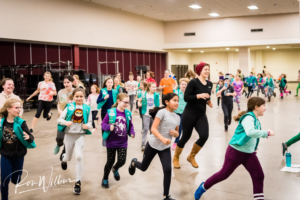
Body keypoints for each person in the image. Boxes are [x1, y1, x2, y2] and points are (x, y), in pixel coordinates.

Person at [194, 97, 275, 200]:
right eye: (264, 106)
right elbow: (250, 132)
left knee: (259, 175)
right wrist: (266, 133)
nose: (265, 108)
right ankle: (203, 186)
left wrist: (254, 147)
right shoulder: (248, 118)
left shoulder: (256, 119)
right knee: (223, 174)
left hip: (249, 153)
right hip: (236, 152)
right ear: (256, 107)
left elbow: (252, 136)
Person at [128, 93, 180, 200]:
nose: (176, 103)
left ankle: (166, 196)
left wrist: (176, 134)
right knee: (143, 167)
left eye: (177, 101)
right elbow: (153, 129)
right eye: (174, 100)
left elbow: (177, 132)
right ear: (167, 102)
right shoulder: (162, 112)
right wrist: (162, 139)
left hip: (165, 147)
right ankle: (134, 162)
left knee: (168, 169)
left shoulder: (177, 117)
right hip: (153, 144)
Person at [173, 62, 213, 169]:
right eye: (205, 69)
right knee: (185, 136)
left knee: (204, 136)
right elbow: (187, 98)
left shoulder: (210, 84)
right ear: (199, 70)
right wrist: (199, 96)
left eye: (208, 69)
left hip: (201, 114)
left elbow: (207, 96)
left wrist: (209, 102)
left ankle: (191, 156)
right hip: (189, 113)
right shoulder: (193, 82)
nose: (207, 71)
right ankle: (176, 157)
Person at [58, 88, 92, 195]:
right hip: (69, 135)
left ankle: (78, 183)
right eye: (77, 96)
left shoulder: (87, 108)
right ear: (73, 97)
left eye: (81, 96)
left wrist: (88, 126)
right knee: (68, 157)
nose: (79, 98)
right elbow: (60, 119)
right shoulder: (69, 107)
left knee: (79, 157)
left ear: (84, 97)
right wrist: (65, 122)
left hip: (80, 135)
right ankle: (63, 159)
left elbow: (91, 122)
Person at [0, 99, 36, 200]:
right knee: (4, 179)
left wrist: (29, 137)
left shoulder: (21, 123)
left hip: (18, 155)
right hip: (5, 155)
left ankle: (15, 175)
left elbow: (31, 137)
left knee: (16, 180)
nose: (20, 109)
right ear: (8, 109)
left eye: (20, 107)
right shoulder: (1, 122)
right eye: (17, 107)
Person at [101, 93, 135, 188]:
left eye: (128, 102)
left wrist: (132, 132)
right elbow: (103, 124)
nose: (126, 104)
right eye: (125, 102)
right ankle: (105, 178)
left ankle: (115, 169)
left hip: (123, 142)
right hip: (111, 142)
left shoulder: (128, 113)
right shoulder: (111, 112)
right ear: (119, 101)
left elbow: (130, 125)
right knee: (110, 162)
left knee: (122, 160)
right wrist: (108, 127)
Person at [53, 75, 75, 158]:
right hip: (61, 118)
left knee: (69, 139)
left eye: (68, 82)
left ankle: (64, 153)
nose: (66, 84)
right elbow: (58, 102)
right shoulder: (60, 92)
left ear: (72, 82)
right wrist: (59, 110)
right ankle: (59, 144)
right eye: (64, 82)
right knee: (60, 137)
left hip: (72, 119)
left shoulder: (76, 91)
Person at [138, 82, 160, 151]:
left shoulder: (157, 95)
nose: (154, 88)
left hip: (154, 115)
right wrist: (139, 103)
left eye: (155, 87)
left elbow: (158, 105)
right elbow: (139, 102)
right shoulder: (144, 95)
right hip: (146, 114)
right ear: (149, 87)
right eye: (153, 87)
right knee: (145, 129)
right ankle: (143, 144)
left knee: (153, 130)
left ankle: (151, 144)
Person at [97, 78, 118, 146]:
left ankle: (112, 140)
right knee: (104, 126)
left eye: (111, 82)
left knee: (113, 125)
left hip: (113, 111)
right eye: (108, 82)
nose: (110, 84)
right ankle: (104, 139)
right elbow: (97, 101)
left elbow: (117, 101)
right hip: (104, 112)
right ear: (106, 83)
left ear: (113, 84)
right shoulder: (102, 91)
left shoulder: (115, 91)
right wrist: (104, 98)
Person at [172, 78, 189, 150]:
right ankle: (176, 140)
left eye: (185, 84)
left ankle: (176, 142)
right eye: (182, 84)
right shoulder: (176, 92)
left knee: (180, 128)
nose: (184, 86)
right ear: (180, 85)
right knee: (175, 127)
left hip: (184, 113)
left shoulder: (188, 93)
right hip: (176, 112)